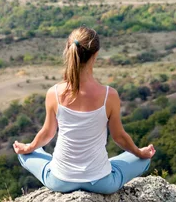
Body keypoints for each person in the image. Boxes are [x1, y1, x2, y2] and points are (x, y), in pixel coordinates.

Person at [13, 26, 156, 194]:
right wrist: (140, 152)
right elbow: (119, 137)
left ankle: (45, 159)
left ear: (68, 49)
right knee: (143, 159)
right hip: (102, 183)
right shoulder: (109, 95)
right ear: (95, 55)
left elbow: (47, 133)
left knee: (26, 153)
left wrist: (28, 149)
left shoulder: (54, 93)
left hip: (60, 181)